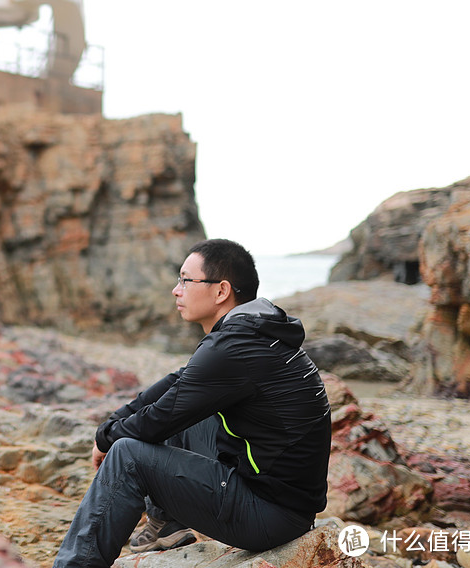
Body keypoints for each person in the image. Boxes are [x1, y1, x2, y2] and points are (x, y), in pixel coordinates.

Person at [52, 239, 331, 568]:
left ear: (221, 291)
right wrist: (109, 426)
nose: (176, 290)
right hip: (280, 500)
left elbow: (159, 418)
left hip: (270, 516)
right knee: (190, 407)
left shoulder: (233, 346)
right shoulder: (253, 330)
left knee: (128, 456)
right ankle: (166, 526)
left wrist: (108, 440)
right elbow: (177, 383)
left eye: (186, 280)